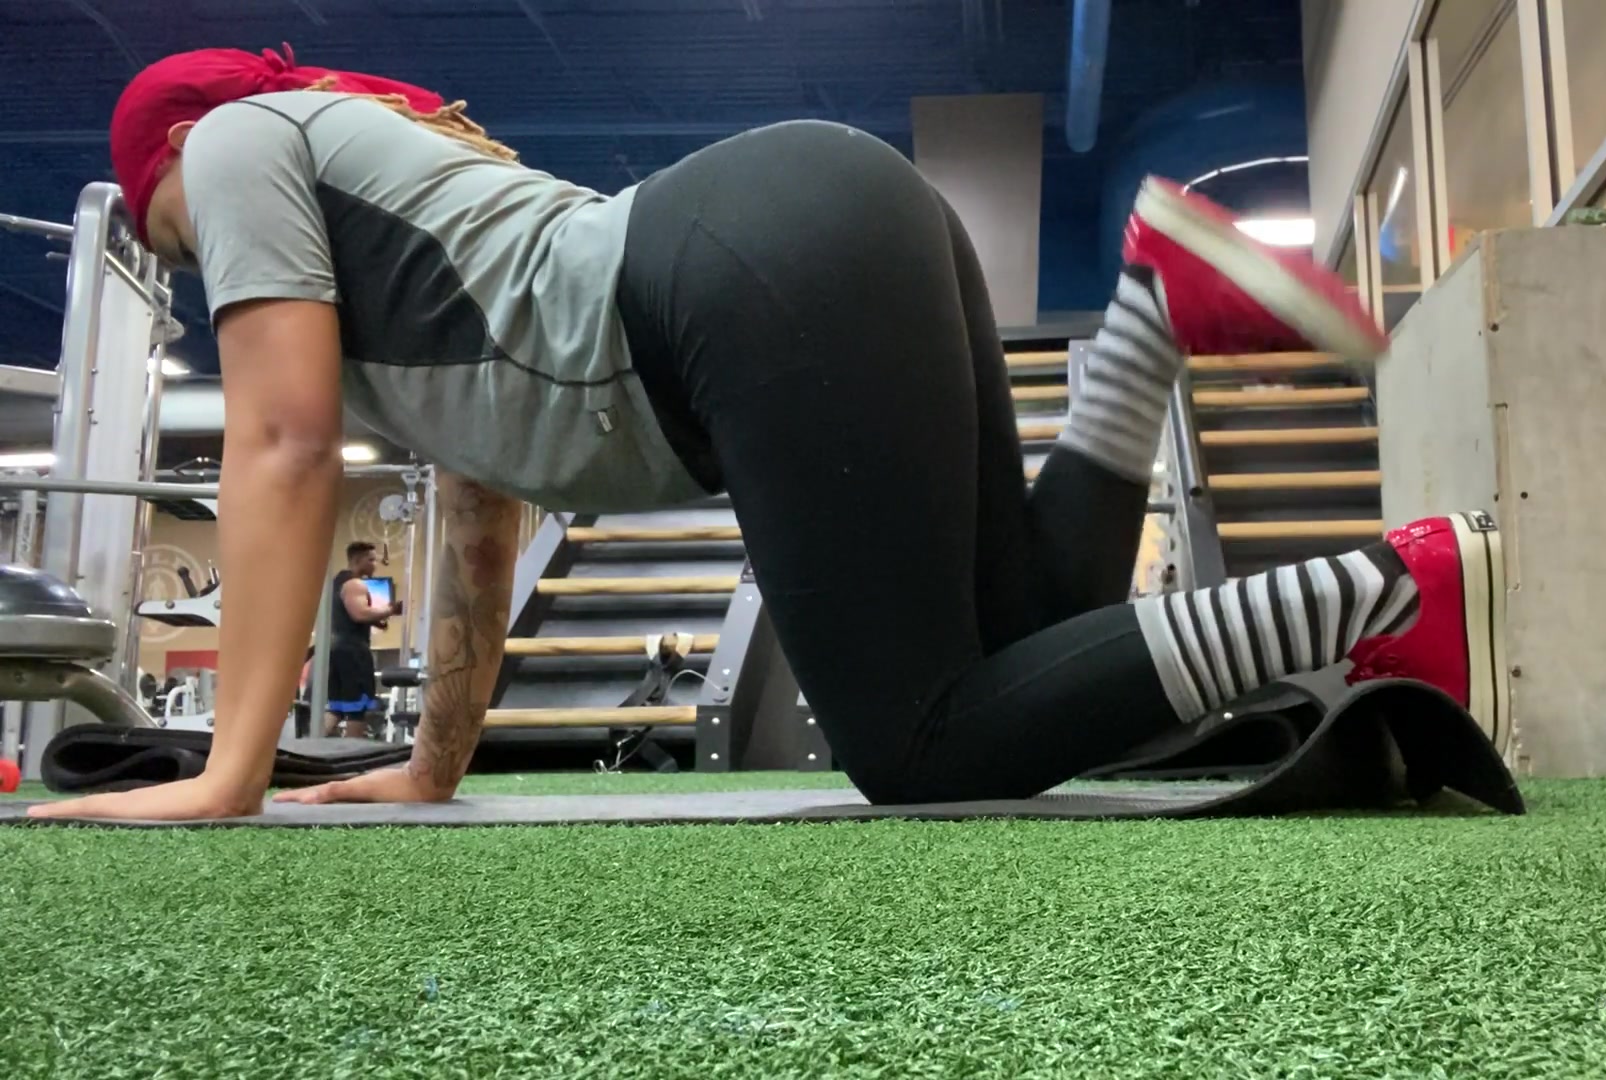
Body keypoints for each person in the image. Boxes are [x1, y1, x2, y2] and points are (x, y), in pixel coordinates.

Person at [30, 46, 1503, 822]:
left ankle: (1383, 589)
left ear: (170, 156)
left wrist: (228, 776)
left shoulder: (236, 142)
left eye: (172, 236)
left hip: (748, 274)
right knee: (1037, 631)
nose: (196, 266)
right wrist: (431, 765)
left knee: (920, 751)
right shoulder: (402, 225)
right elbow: (480, 510)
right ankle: (1149, 311)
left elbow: (280, 444)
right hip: (838, 218)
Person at [326, 540, 399, 739]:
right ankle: (352, 754)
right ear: (358, 560)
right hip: (353, 652)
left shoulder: (337, 582)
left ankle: (309, 747)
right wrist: (390, 610)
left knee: (337, 709)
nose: (375, 565)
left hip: (337, 648)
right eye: (371, 560)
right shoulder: (355, 584)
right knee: (357, 711)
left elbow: (349, 615)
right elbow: (359, 614)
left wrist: (377, 621)